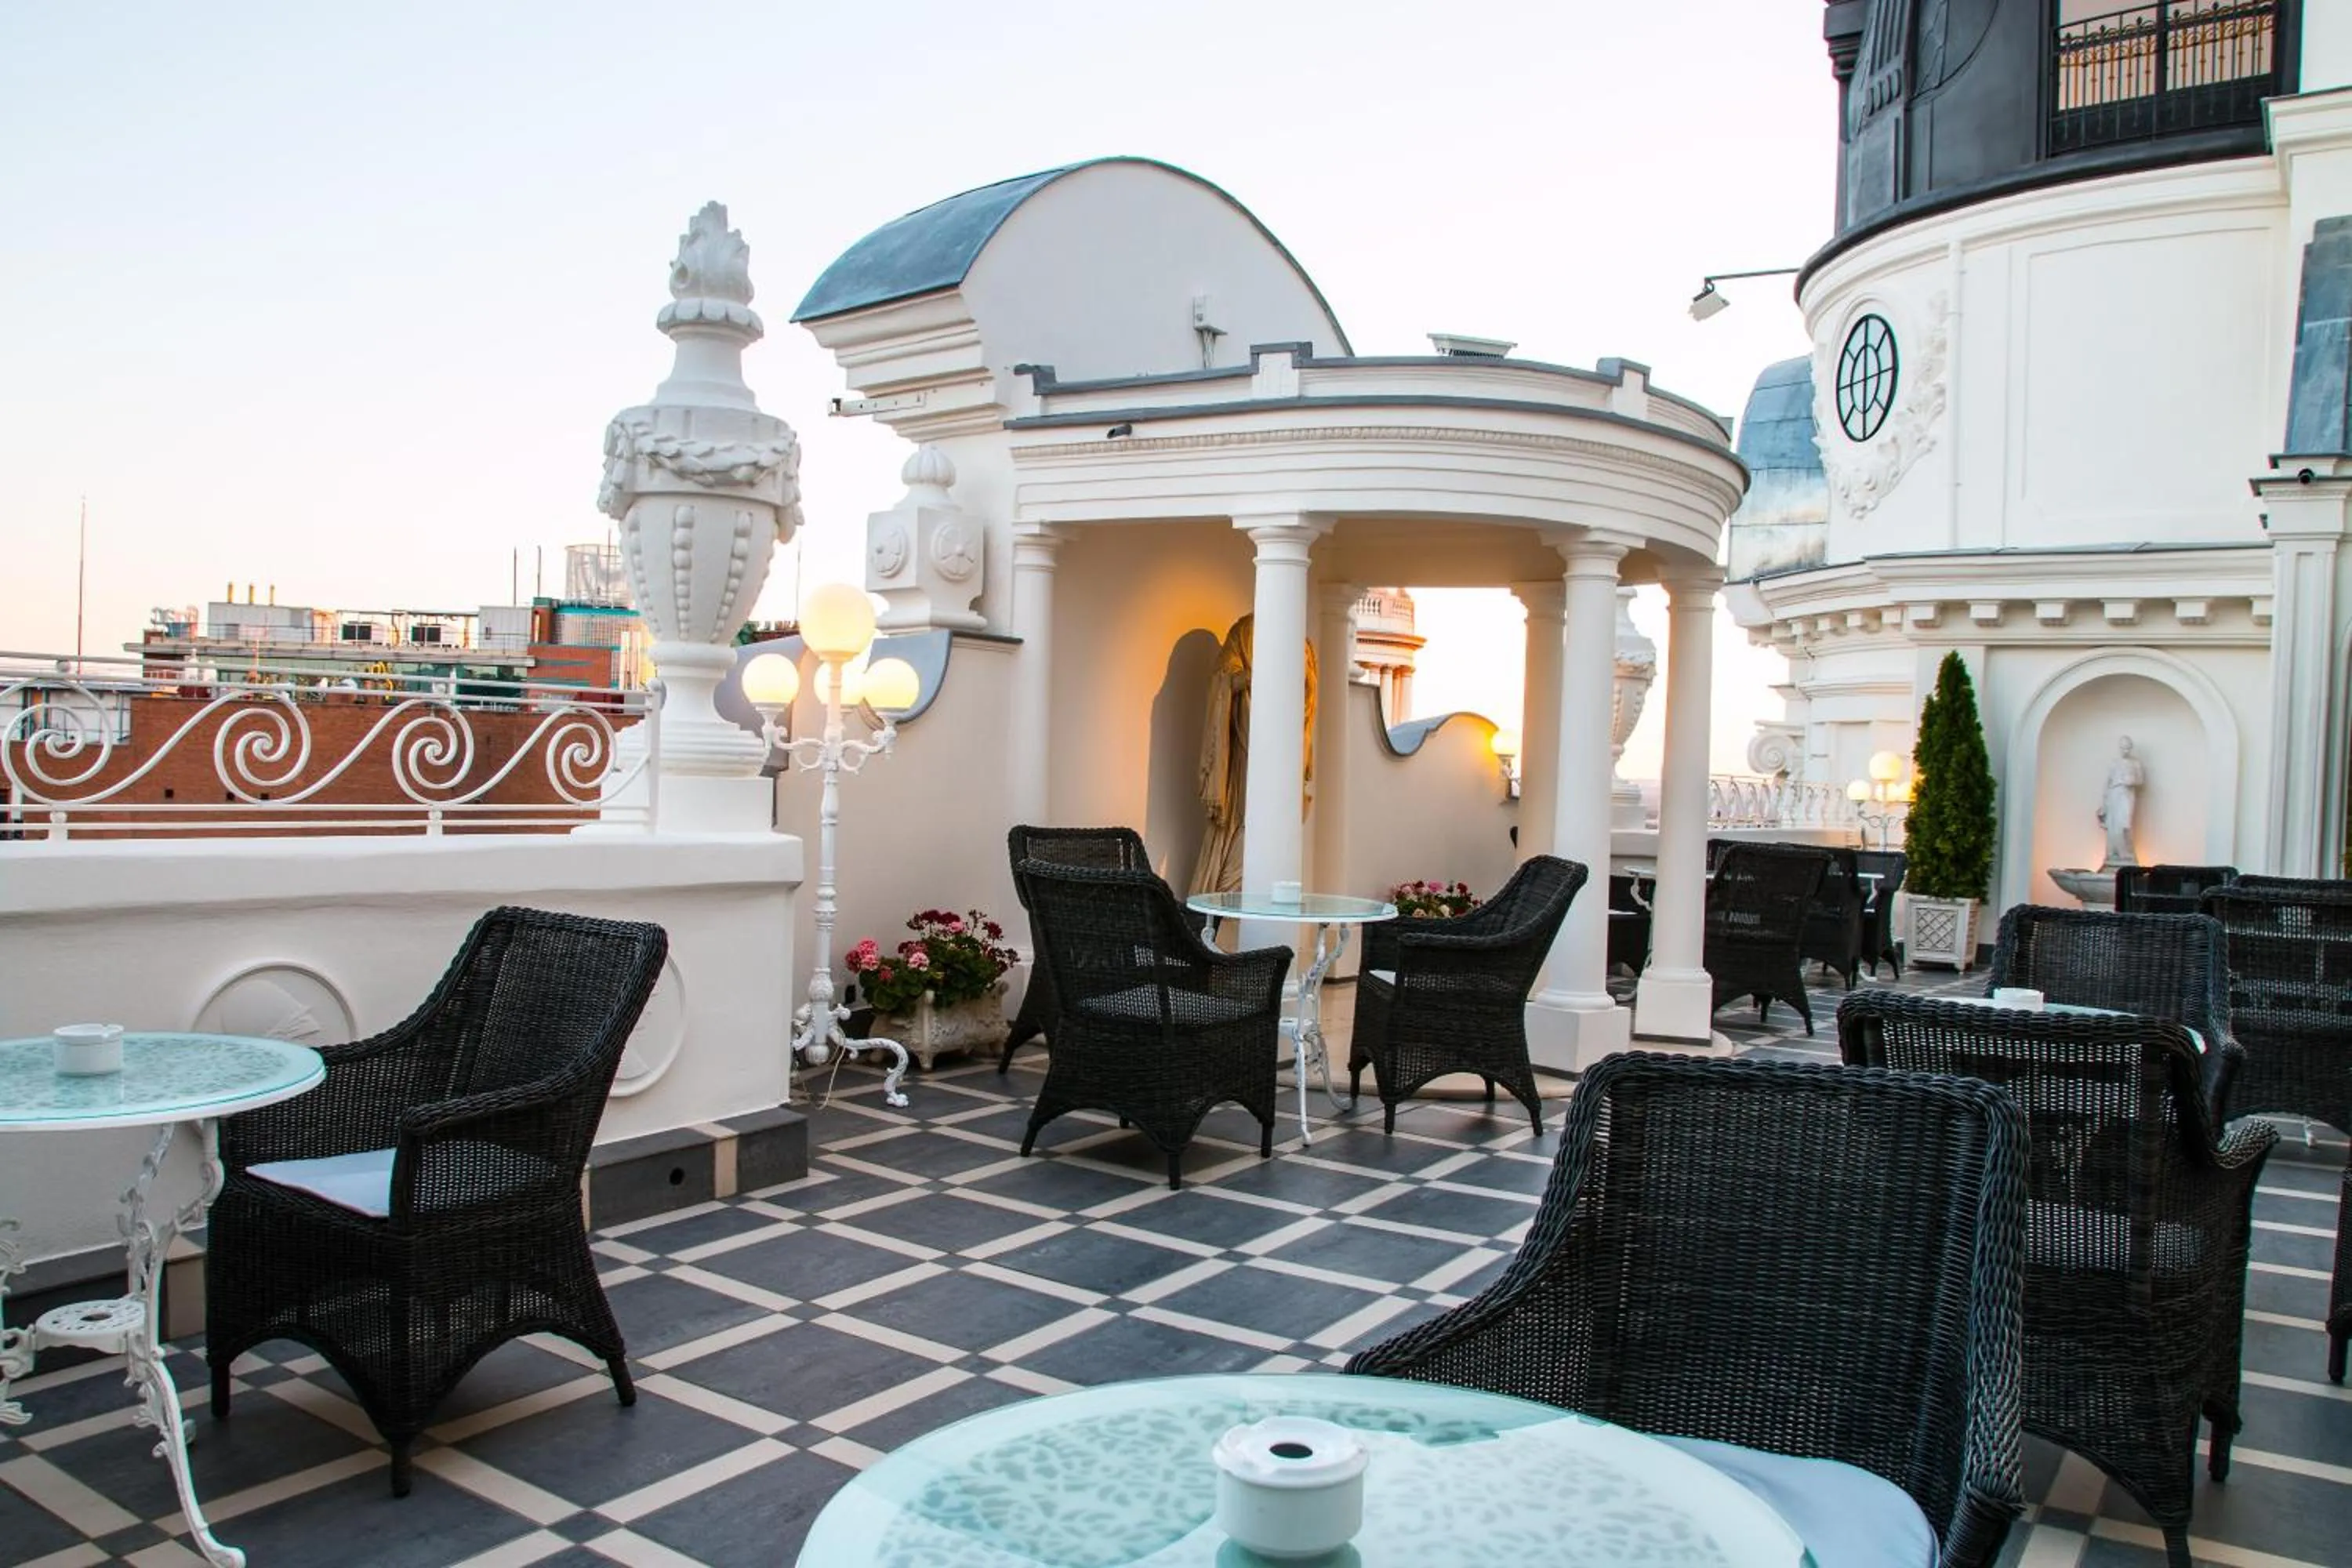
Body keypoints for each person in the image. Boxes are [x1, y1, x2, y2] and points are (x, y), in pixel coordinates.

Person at [1191, 615, 1316, 896]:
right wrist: (1253, 677)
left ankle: (1248, 902)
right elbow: (1224, 682)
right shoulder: (1246, 631)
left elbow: (1307, 694)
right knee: (1247, 824)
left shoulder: (1301, 642)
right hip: (1249, 750)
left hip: (1286, 749)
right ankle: (1225, 905)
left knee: (1275, 830)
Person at [2096, 735, 2144, 869]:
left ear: (2131, 748)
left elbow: (2140, 780)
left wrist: (2131, 781)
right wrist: (2104, 804)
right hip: (2114, 794)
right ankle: (2114, 853)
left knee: (2125, 824)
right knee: (2113, 825)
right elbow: (2107, 782)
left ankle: (2126, 853)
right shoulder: (2114, 763)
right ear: (2119, 748)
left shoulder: (2136, 763)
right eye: (2123, 748)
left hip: (2127, 794)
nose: (2125, 751)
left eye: (2128, 748)